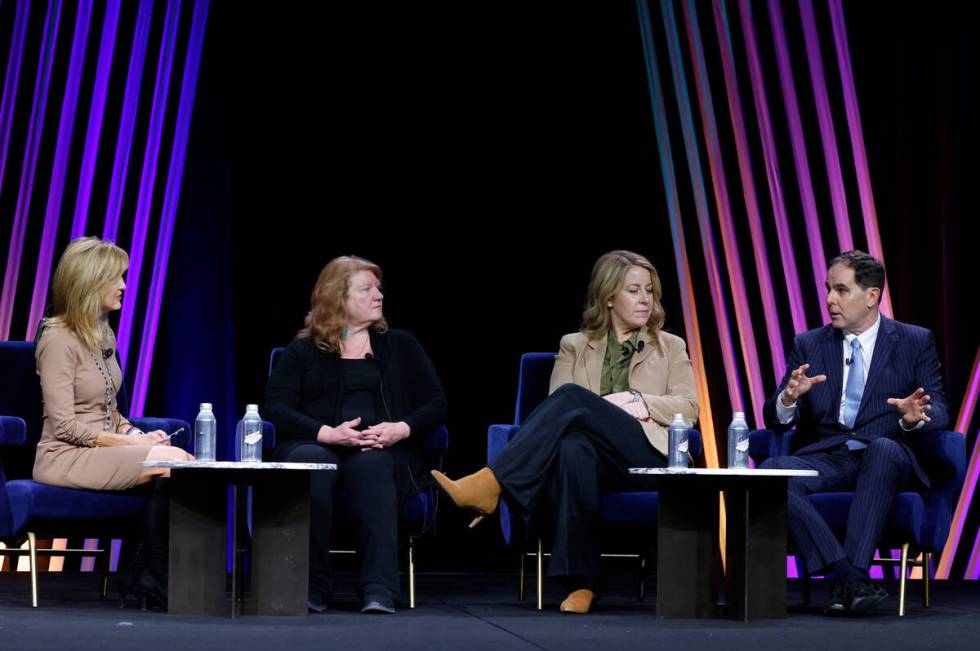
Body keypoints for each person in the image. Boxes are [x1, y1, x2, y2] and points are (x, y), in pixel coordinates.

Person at [432, 250, 699, 614]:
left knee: (574, 398)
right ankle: (582, 584)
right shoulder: (573, 344)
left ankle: (492, 484)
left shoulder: (670, 346)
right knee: (573, 446)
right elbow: (558, 412)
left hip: (647, 455)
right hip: (592, 459)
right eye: (634, 291)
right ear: (608, 297)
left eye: (649, 291)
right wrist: (602, 408)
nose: (645, 299)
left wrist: (639, 401)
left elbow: (690, 407)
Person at [761, 250, 949, 616]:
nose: (830, 299)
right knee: (771, 470)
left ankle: (850, 577)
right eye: (828, 289)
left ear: (872, 296)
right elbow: (775, 419)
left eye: (842, 290)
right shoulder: (810, 343)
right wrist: (787, 399)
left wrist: (915, 417)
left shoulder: (914, 340)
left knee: (882, 449)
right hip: (828, 456)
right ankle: (850, 577)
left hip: (887, 454)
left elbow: (939, 409)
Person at [265, 255, 447, 614]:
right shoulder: (301, 352)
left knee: (373, 465)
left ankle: (378, 588)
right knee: (312, 464)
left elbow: (436, 403)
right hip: (318, 444)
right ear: (338, 299)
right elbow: (277, 408)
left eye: (378, 288)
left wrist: (401, 428)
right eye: (367, 289)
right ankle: (312, 585)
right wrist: (326, 434)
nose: (378, 295)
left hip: (384, 449)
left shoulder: (401, 345)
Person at [33, 236, 193, 609]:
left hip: (100, 449)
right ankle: (148, 575)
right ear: (89, 282)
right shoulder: (57, 340)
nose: (123, 286)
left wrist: (137, 432)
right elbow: (65, 427)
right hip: (64, 456)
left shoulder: (103, 335)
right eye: (115, 278)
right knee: (174, 463)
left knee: (180, 463)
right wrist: (132, 446)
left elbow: (111, 411)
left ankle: (153, 576)